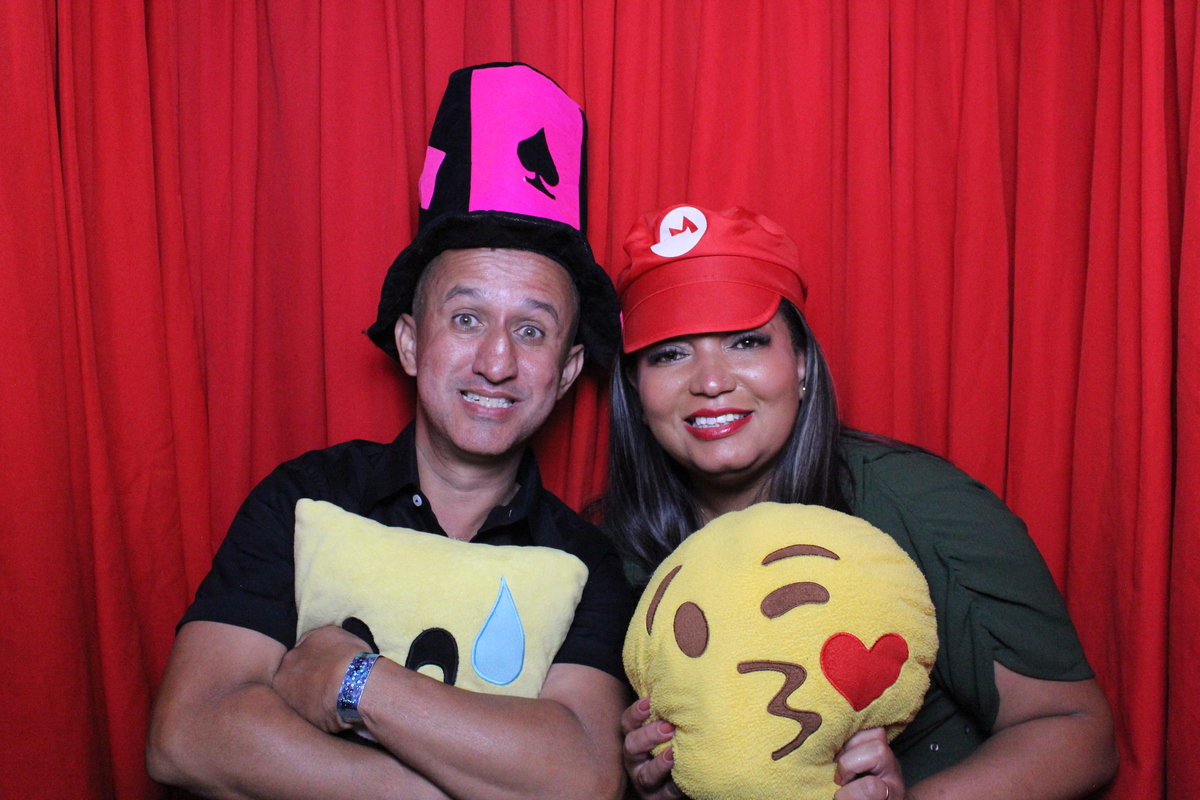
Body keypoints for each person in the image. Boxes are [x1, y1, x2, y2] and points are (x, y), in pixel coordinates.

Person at [146, 63, 632, 800]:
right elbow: (188, 734)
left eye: (531, 331)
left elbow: (582, 776)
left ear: (567, 372)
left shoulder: (586, 560)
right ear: (409, 343)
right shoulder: (306, 499)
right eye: (466, 318)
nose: (497, 361)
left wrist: (358, 681)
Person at [605, 204, 1117, 800]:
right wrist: (657, 782)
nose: (711, 381)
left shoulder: (919, 504)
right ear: (635, 386)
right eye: (669, 353)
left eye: (746, 341)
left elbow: (1078, 732)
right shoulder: (612, 554)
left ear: (800, 363)